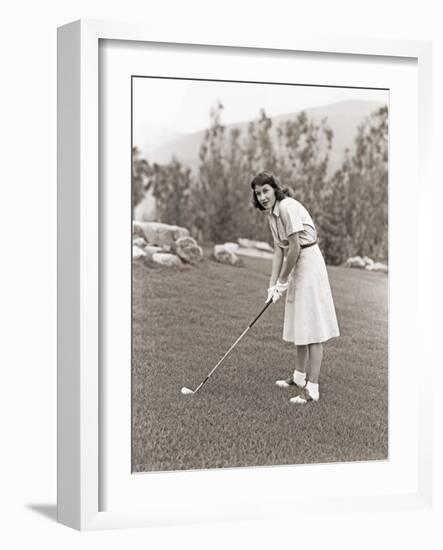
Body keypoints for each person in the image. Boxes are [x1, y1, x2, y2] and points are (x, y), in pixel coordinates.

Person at [250, 171, 340, 404]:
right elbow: (279, 249)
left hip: (309, 262)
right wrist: (272, 286)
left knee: (312, 325)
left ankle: (313, 388)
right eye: (258, 193)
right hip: (297, 262)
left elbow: (295, 248)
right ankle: (299, 377)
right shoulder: (271, 214)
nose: (262, 197)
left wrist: (282, 281)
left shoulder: (287, 207)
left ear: (275, 189)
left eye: (266, 191)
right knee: (300, 320)